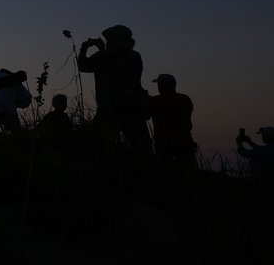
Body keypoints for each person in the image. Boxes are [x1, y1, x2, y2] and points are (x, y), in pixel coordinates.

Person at [77, 24, 151, 155]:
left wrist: (84, 48)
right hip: (134, 107)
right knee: (142, 149)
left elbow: (83, 66)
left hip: (110, 109)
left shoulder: (104, 56)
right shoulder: (135, 56)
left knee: (96, 147)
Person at [147, 73, 196, 170]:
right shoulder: (185, 99)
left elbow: (146, 113)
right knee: (188, 170)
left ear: (161, 86)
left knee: (164, 170)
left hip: (164, 142)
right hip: (185, 140)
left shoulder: (155, 101)